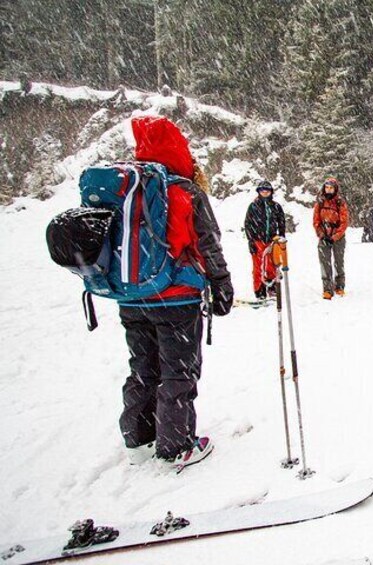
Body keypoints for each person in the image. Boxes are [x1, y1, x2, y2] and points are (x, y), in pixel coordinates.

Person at [121, 115, 232, 470]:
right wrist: (221, 283)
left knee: (142, 367)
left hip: (131, 294)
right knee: (178, 370)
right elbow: (207, 244)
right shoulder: (184, 189)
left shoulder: (127, 186)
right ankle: (176, 445)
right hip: (176, 296)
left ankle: (139, 438)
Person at [244, 180, 286, 299]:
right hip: (257, 240)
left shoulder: (276, 206)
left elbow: (281, 222)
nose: (265, 192)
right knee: (258, 267)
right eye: (262, 190)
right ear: (259, 192)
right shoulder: (253, 206)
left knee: (272, 265)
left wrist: (281, 236)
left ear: (271, 192)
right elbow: (247, 223)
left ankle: (272, 287)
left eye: (267, 190)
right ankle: (259, 291)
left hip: (272, 240)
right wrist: (250, 240)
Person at [313, 177, 349, 299]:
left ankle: (339, 286)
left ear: (335, 189)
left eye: (331, 188)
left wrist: (335, 237)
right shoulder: (320, 202)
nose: (328, 190)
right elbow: (316, 221)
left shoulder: (340, 202)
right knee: (325, 263)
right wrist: (322, 235)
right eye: (327, 188)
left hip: (338, 237)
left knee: (339, 262)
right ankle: (327, 289)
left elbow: (344, 222)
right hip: (324, 236)